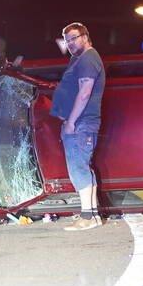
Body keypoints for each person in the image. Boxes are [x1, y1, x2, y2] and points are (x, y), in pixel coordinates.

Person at [50, 22, 105, 231]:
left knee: (78, 168)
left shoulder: (88, 58)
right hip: (83, 122)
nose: (70, 43)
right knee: (84, 168)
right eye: (67, 40)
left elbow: (84, 93)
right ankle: (92, 215)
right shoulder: (81, 59)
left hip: (81, 123)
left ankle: (87, 218)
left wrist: (71, 122)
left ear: (85, 36)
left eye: (74, 38)